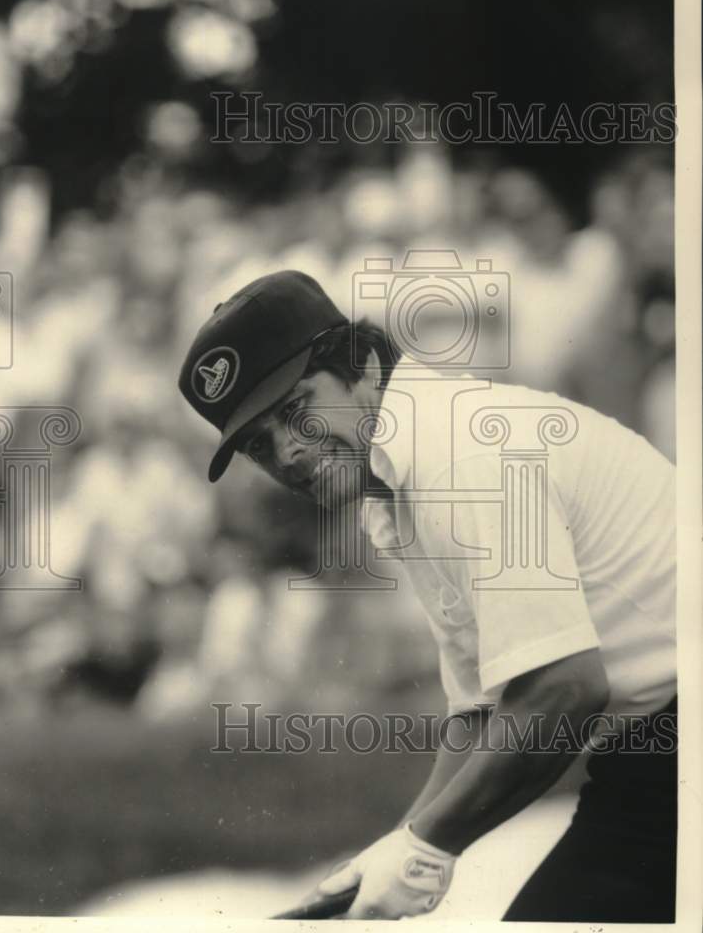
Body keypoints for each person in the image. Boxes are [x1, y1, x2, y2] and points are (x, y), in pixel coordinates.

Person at [178, 269, 677, 922]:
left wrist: (424, 846)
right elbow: (482, 712)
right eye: (258, 444)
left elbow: (565, 690)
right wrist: (381, 863)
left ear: (359, 366)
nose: (288, 453)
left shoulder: (456, 455)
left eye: (296, 410)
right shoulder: (405, 468)